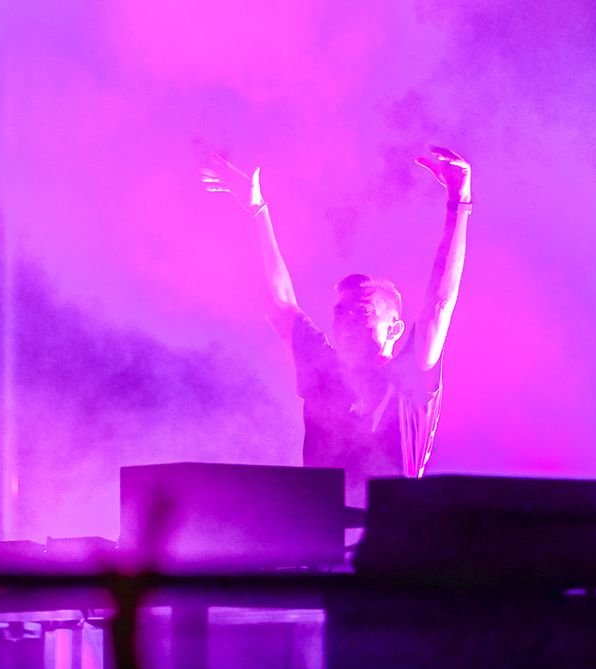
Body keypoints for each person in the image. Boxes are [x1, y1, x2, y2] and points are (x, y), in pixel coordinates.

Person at [202, 147, 471, 507]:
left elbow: (439, 304)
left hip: (388, 533)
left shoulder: (408, 379)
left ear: (394, 330)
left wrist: (459, 203)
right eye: (340, 312)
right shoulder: (323, 369)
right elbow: (280, 304)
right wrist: (256, 210)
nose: (345, 321)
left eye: (361, 312)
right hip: (318, 533)